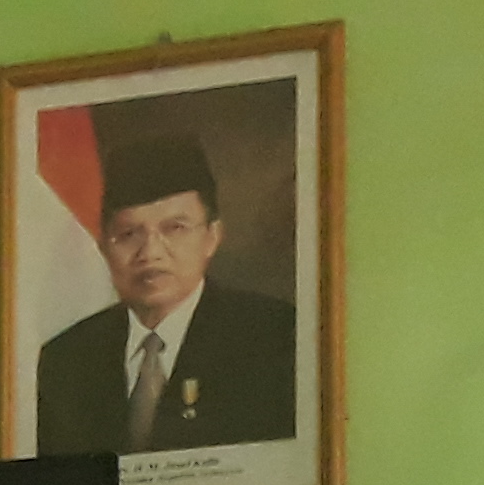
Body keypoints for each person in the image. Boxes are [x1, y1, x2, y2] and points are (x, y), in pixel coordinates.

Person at [34, 125, 299, 457]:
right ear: (103, 247)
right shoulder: (66, 360)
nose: (151, 253)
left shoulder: (275, 339)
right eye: (129, 234)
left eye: (175, 228)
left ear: (212, 237)